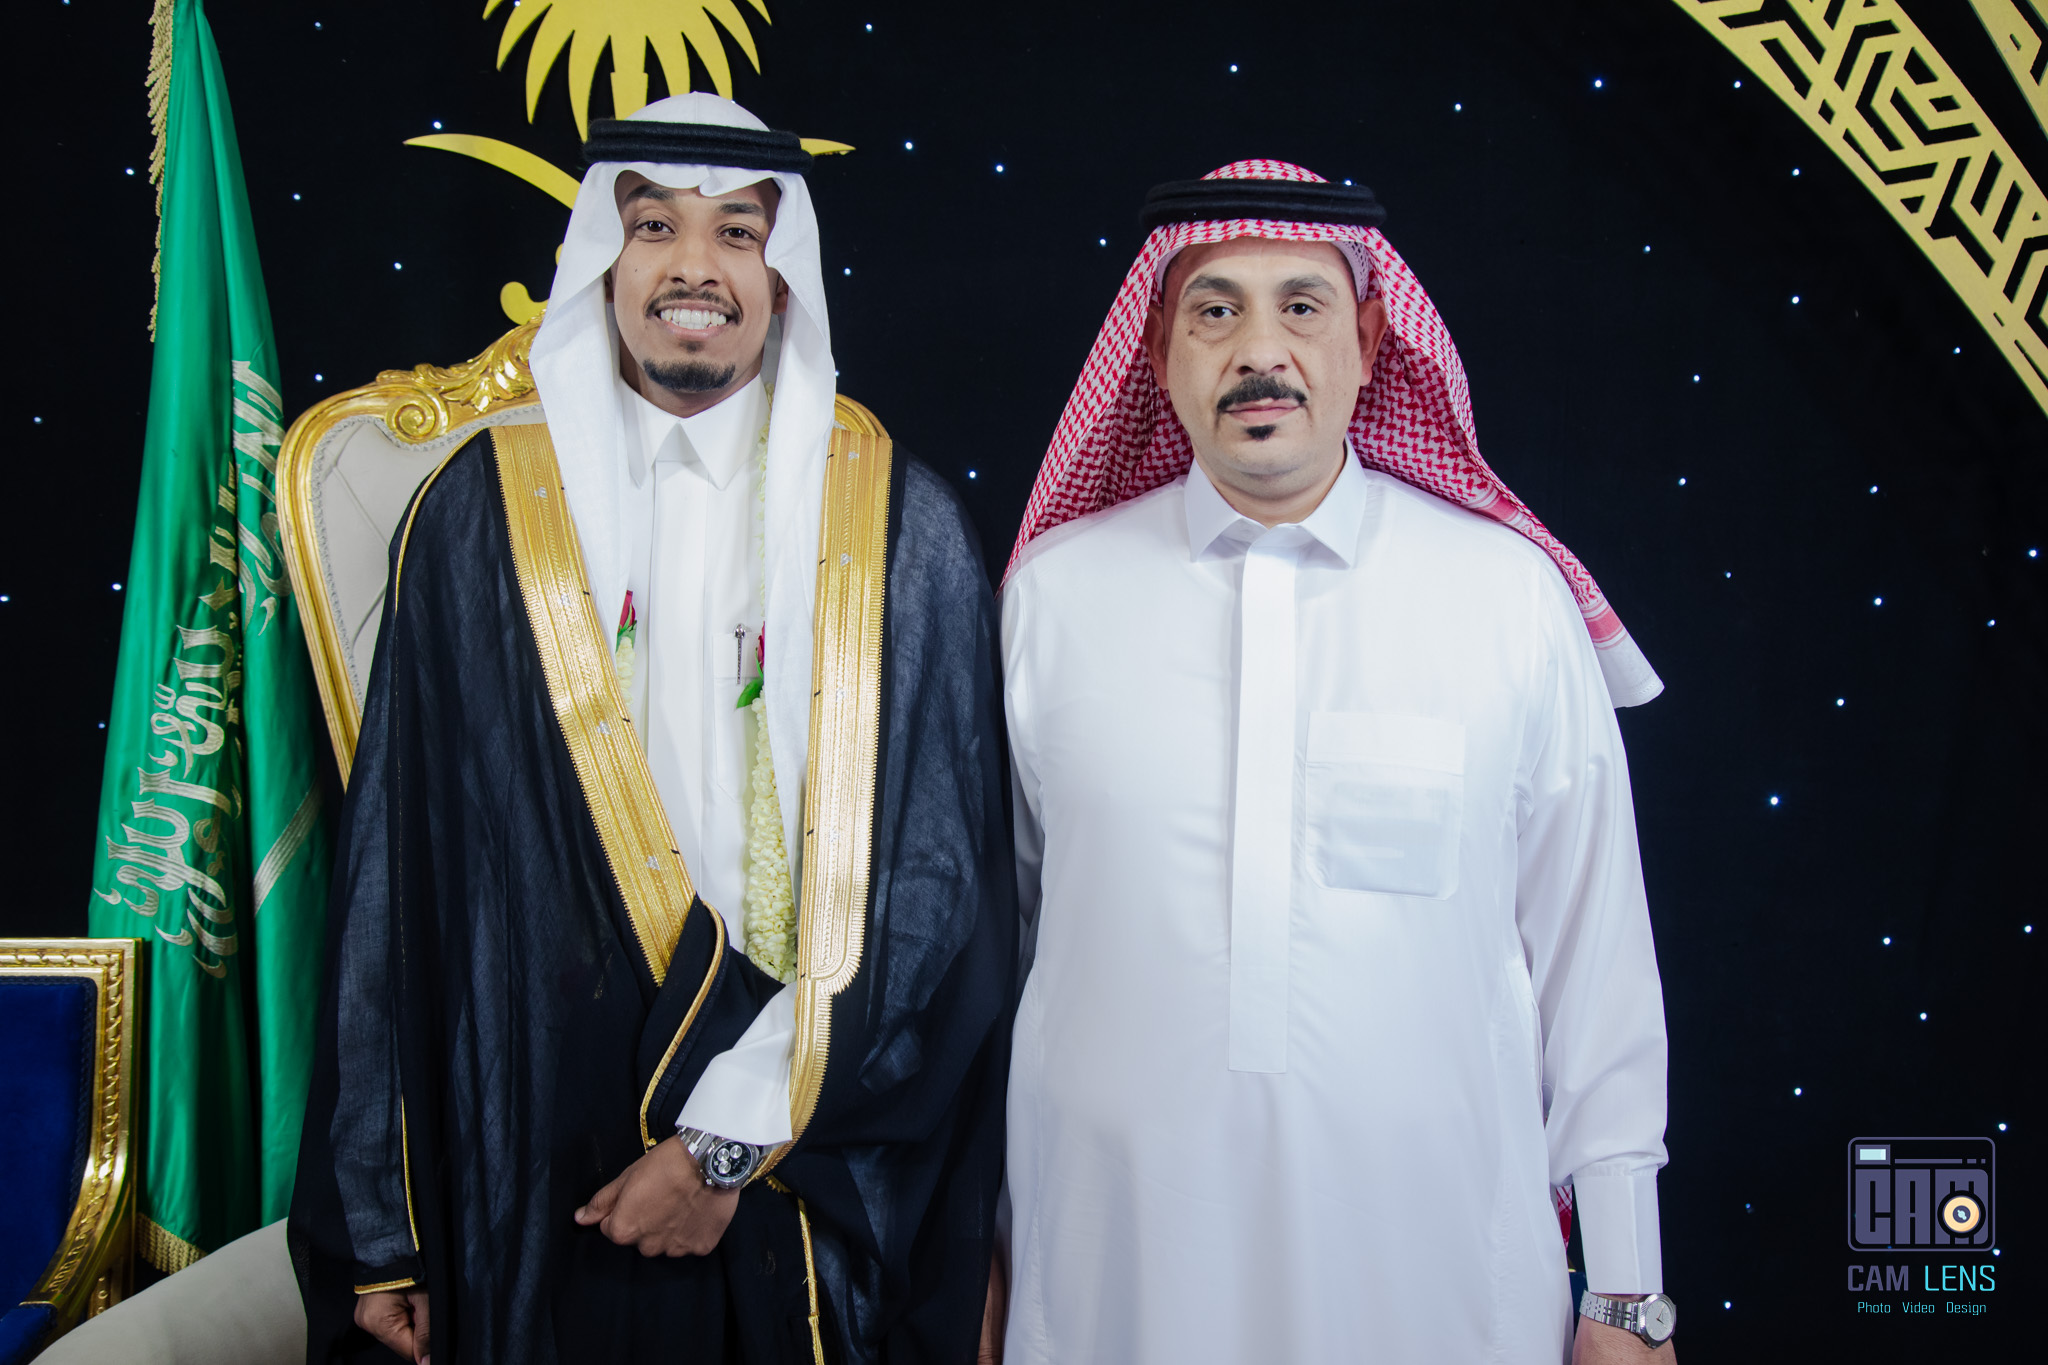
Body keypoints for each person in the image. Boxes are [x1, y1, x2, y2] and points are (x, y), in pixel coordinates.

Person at [289, 95, 1014, 1365]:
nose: (694, 266)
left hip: (803, 1159)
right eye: (653, 226)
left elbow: (936, 895)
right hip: (531, 1151)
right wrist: (379, 1232)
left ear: (781, 280)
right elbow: (394, 886)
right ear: (601, 264)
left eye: (737, 232)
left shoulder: (899, 530)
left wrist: (726, 1142)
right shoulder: (476, 518)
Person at [995, 162, 1675, 1363]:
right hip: (1111, 1279)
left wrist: (1624, 1293)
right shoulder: (1051, 599)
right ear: (1156, 351)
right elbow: (992, 956)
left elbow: (1594, 965)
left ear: (1367, 342)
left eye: (1301, 306)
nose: (1259, 351)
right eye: (1213, 310)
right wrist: (978, 1266)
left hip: (1442, 1285)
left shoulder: (1505, 601)